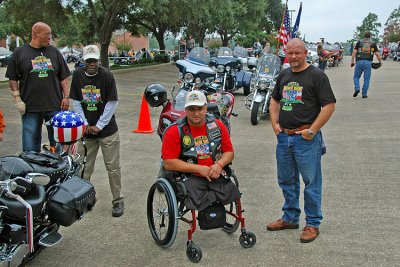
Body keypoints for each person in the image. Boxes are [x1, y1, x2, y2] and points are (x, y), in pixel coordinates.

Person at [267, 38, 336, 243]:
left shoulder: (317, 76)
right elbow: (274, 100)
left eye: (298, 53)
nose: (294, 57)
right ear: (286, 54)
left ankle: (313, 223)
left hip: (306, 139)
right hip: (284, 138)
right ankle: (290, 217)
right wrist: (275, 124)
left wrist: (312, 131)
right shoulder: (284, 74)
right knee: (286, 180)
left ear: (306, 53)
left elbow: (329, 105)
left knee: (311, 182)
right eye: (290, 53)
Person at [161, 90, 240, 211]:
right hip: (188, 176)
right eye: (192, 109)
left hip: (215, 173)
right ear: (185, 110)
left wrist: (219, 165)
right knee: (195, 198)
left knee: (231, 191)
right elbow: (168, 163)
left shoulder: (217, 125)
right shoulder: (174, 131)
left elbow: (229, 153)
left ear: (206, 108)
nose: (196, 113)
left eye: (200, 108)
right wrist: (198, 168)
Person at [69, 45, 124, 217]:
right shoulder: (77, 75)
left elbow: (111, 102)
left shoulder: (107, 75)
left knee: (113, 168)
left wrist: (99, 125)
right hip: (86, 132)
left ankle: (118, 201)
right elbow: (76, 101)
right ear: (84, 61)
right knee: (83, 167)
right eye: (89, 60)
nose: (92, 63)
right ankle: (82, 199)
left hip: (107, 131)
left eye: (95, 60)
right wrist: (85, 124)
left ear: (99, 60)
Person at [5, 22, 71, 152]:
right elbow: (12, 78)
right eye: (47, 34)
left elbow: (63, 78)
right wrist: (17, 99)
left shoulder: (54, 52)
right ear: (36, 34)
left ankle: (56, 170)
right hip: (30, 107)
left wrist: (67, 97)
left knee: (57, 145)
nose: (49, 38)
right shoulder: (20, 53)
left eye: (50, 35)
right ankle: (32, 170)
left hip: (54, 106)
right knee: (30, 146)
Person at [351, 31, 382, 98]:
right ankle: (364, 94)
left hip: (359, 61)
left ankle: (357, 88)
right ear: (370, 36)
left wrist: (352, 61)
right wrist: (380, 62)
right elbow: (377, 53)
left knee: (356, 77)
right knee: (367, 78)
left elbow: (354, 52)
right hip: (368, 62)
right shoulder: (373, 43)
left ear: (364, 36)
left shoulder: (359, 42)